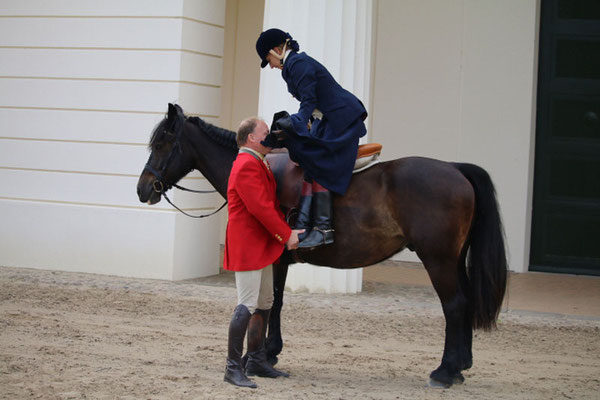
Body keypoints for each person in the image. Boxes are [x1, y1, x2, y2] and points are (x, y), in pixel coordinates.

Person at [255, 28, 368, 250]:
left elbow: (308, 101)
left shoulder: (298, 64)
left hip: (341, 120)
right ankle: (306, 225)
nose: (270, 65)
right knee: (309, 165)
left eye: (268, 59)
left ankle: (324, 230)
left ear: (277, 50)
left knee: (319, 162)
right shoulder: (292, 66)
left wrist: (294, 123)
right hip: (326, 120)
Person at [223, 117, 304, 389]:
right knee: (246, 303)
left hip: (260, 243)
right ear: (251, 139)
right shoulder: (246, 164)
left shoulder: (258, 161)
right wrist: (286, 234)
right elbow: (261, 208)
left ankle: (256, 359)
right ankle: (233, 368)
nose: (271, 136)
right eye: (266, 133)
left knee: (265, 300)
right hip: (248, 245)